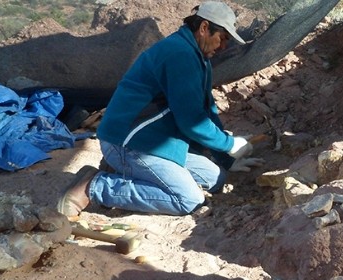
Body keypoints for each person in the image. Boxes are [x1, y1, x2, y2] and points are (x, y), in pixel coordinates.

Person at [57, 1, 263, 217]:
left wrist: (226, 158)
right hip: (128, 142)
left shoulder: (197, 58)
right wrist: (229, 144)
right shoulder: (179, 55)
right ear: (204, 28)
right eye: (223, 38)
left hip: (155, 140)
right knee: (188, 199)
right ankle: (93, 186)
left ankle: (121, 170)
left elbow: (207, 111)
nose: (223, 47)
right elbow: (191, 121)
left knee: (215, 179)